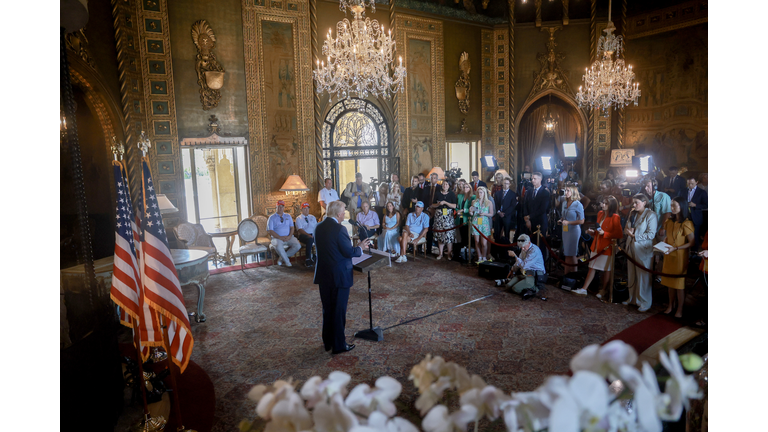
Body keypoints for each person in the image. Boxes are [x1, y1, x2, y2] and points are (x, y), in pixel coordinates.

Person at [313, 200, 370, 354]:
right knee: (338, 312)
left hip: (324, 275)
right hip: (339, 276)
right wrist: (360, 248)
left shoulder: (318, 227)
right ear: (339, 214)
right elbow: (348, 252)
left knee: (327, 309)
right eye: (344, 210)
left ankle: (328, 342)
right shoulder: (340, 229)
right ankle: (339, 345)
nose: (345, 213)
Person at [573, 196, 623, 296]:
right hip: (596, 244)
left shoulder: (615, 217)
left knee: (606, 269)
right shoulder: (600, 213)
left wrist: (605, 233)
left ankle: (603, 290)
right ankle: (584, 289)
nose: (603, 205)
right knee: (592, 267)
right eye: (602, 203)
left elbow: (618, 234)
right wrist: (593, 232)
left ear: (611, 205)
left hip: (606, 246)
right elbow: (599, 229)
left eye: (605, 203)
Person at [661, 197, 695, 318]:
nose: (672, 208)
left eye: (675, 205)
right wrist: (664, 242)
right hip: (669, 254)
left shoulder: (686, 223)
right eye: (671, 205)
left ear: (682, 206)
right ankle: (671, 305)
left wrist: (676, 248)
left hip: (680, 256)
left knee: (679, 284)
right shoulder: (669, 221)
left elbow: (691, 242)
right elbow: (667, 236)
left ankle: (680, 308)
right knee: (670, 283)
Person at [623, 194, 658, 311]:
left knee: (643, 275)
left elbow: (651, 234)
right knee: (631, 272)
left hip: (643, 248)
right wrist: (628, 232)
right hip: (631, 246)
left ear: (644, 202)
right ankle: (632, 298)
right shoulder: (632, 213)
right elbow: (626, 228)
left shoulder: (651, 215)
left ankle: (644, 301)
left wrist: (635, 235)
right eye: (633, 202)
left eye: (636, 202)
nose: (634, 205)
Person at [493, 234, 546, 300]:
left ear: (529, 243)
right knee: (508, 286)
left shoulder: (534, 251)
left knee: (515, 288)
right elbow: (519, 261)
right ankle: (519, 283)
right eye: (521, 247)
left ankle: (535, 288)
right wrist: (513, 270)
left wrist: (515, 256)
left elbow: (524, 265)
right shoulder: (524, 248)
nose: (522, 249)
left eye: (523, 247)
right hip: (525, 273)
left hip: (534, 275)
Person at [557, 184, 585, 274]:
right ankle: (566, 275)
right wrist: (561, 220)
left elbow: (582, 221)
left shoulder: (577, 204)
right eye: (565, 190)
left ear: (573, 192)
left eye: (568, 190)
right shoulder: (564, 203)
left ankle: (573, 275)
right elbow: (564, 216)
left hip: (573, 231)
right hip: (565, 230)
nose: (566, 192)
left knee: (572, 254)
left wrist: (569, 222)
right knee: (566, 254)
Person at [267, 200, 302, 267]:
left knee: (298, 245)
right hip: (277, 238)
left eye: (282, 206)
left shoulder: (288, 216)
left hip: (288, 237)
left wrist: (289, 236)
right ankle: (287, 262)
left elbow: (292, 227)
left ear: (284, 207)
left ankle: (281, 259)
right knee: (279, 247)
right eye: (279, 206)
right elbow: (270, 231)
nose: (280, 208)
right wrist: (280, 237)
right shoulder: (271, 218)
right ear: (276, 207)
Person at [431, 178, 457, 260]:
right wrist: (438, 204)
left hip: (448, 216)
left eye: (446, 184)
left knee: (448, 234)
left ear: (449, 186)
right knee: (440, 235)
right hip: (439, 215)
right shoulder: (438, 193)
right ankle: (440, 253)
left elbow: (454, 206)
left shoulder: (451, 194)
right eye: (444, 184)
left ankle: (449, 254)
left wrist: (445, 202)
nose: (445, 186)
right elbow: (433, 205)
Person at [470, 186, 494, 263]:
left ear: (484, 193)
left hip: (484, 223)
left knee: (484, 242)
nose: (479, 194)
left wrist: (484, 214)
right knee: (477, 241)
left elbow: (491, 214)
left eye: (481, 192)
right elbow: (472, 213)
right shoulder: (474, 202)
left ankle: (484, 256)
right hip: (476, 223)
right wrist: (470, 211)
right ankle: (479, 256)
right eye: (478, 192)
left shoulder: (489, 202)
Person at [523, 172, 550, 237]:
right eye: (532, 179)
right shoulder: (528, 191)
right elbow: (525, 205)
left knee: (540, 241)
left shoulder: (545, 193)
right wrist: (527, 219)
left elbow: (543, 209)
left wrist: (529, 216)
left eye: (534, 179)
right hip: (529, 221)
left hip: (540, 221)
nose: (532, 180)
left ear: (540, 179)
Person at [454, 182, 475, 262]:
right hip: (460, 218)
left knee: (467, 237)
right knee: (461, 236)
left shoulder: (473, 197)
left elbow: (472, 208)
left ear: (470, 188)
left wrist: (463, 210)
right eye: (464, 187)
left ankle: (468, 255)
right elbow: (457, 206)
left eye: (467, 187)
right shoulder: (459, 196)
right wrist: (457, 211)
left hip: (468, 218)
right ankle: (461, 254)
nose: (465, 188)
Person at [685, 176, 708, 248]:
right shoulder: (683, 190)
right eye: (688, 184)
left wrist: (695, 205)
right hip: (685, 216)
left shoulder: (702, 192)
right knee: (685, 236)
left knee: (695, 236)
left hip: (696, 217)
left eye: (692, 183)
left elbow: (706, 205)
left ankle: (695, 252)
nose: (690, 185)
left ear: (696, 182)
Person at [493, 177, 517, 244]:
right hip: (498, 215)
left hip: (507, 216)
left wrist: (504, 213)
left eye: (507, 183)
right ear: (502, 183)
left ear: (509, 184)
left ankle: (507, 247)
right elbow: (495, 203)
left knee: (507, 233)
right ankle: (497, 246)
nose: (505, 185)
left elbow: (512, 206)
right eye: (504, 183)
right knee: (497, 233)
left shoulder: (513, 194)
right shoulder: (497, 193)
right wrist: (499, 212)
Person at [294, 202, 318, 267]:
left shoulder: (312, 217)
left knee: (323, 238)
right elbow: (300, 229)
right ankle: (308, 259)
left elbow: (316, 227)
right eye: (305, 208)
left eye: (308, 208)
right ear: (301, 209)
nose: (306, 210)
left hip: (313, 234)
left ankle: (317, 256)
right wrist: (308, 235)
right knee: (310, 239)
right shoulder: (298, 218)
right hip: (303, 235)